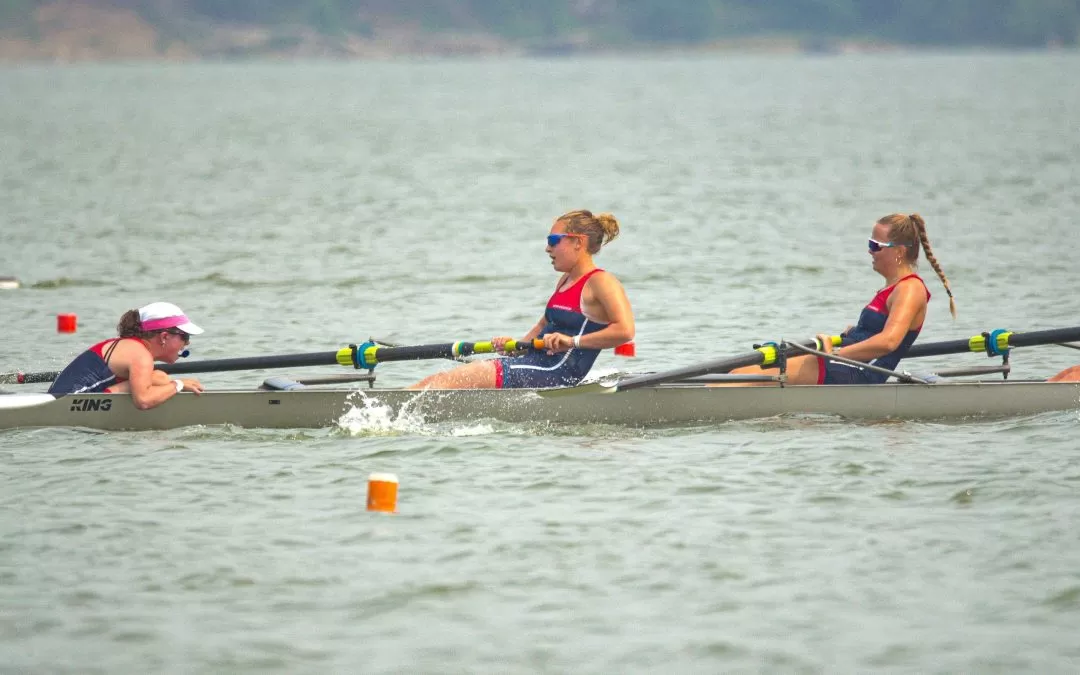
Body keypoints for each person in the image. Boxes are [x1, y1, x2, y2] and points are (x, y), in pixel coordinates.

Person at [409, 210, 635, 390]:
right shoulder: (565, 280)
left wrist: (571, 341)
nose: (548, 248)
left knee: (461, 377)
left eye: (554, 240)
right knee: (445, 378)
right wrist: (515, 347)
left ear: (578, 242)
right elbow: (543, 325)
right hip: (533, 363)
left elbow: (625, 331)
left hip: (556, 373)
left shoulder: (601, 282)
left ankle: (388, 411)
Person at [724, 213, 956, 386]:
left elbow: (888, 342)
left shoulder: (910, 289)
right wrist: (857, 332)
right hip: (846, 362)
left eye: (875, 246)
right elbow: (880, 333)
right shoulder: (892, 287)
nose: (869, 251)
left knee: (742, 377)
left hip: (859, 372)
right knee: (739, 371)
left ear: (899, 251)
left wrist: (833, 354)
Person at [48, 302, 205, 408]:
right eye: (185, 337)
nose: (187, 343)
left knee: (158, 377)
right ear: (164, 337)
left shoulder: (129, 346)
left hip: (64, 400)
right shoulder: (140, 355)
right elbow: (143, 401)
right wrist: (178, 385)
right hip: (68, 405)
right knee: (159, 379)